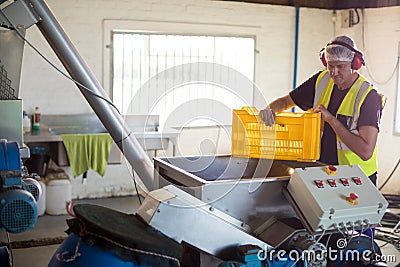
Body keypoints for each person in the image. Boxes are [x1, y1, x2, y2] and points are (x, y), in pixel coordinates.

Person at [260, 35, 385, 186]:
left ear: (355, 64)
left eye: (341, 67)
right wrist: (270, 109)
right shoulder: (322, 80)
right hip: (324, 171)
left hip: (357, 177)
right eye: (330, 66)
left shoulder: (368, 97)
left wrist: (331, 119)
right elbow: (285, 101)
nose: (334, 73)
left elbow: (366, 152)